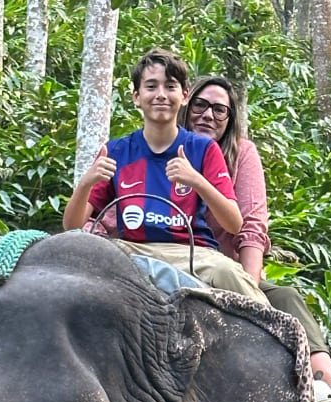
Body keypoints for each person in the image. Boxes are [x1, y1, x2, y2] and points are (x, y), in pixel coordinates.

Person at [180, 75, 331, 402]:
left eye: (219, 110)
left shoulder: (239, 153)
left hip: (224, 268)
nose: (208, 115)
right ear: (186, 105)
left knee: (284, 297)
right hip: (174, 258)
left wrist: (250, 291)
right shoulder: (165, 147)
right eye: (201, 105)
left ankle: (328, 381)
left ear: (231, 118)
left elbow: (250, 226)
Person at [62, 48, 268, 304]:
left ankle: (279, 336)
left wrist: (196, 180)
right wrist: (85, 184)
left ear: (183, 96)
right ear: (136, 96)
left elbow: (235, 224)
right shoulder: (115, 151)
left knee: (229, 275)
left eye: (170, 86)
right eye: (151, 86)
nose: (161, 95)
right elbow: (71, 226)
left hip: (193, 254)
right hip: (131, 249)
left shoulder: (203, 149)